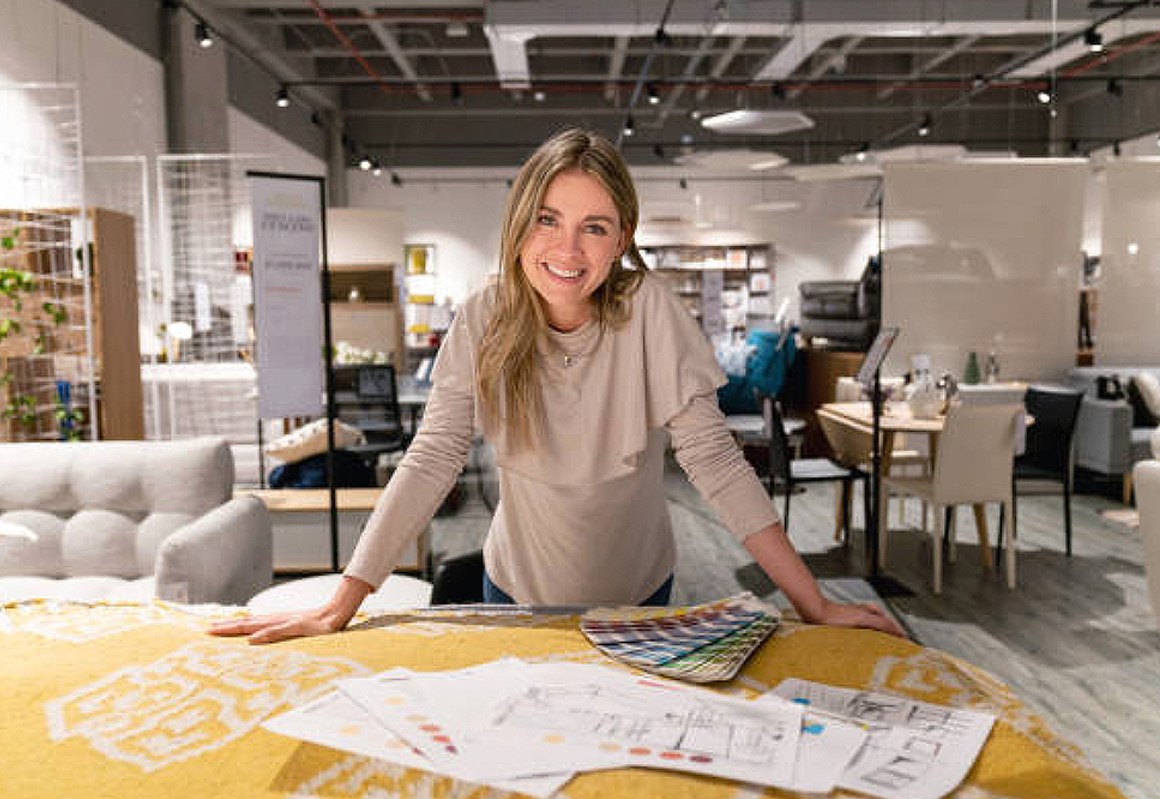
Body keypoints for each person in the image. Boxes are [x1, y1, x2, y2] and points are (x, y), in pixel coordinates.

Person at [210, 127, 903, 644]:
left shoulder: (650, 312)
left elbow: (717, 463)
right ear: (520, 223)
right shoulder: (484, 313)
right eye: (549, 219)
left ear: (621, 236)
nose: (568, 250)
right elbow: (432, 457)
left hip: (641, 591)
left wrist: (814, 603)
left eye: (593, 227)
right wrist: (345, 599)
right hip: (515, 590)